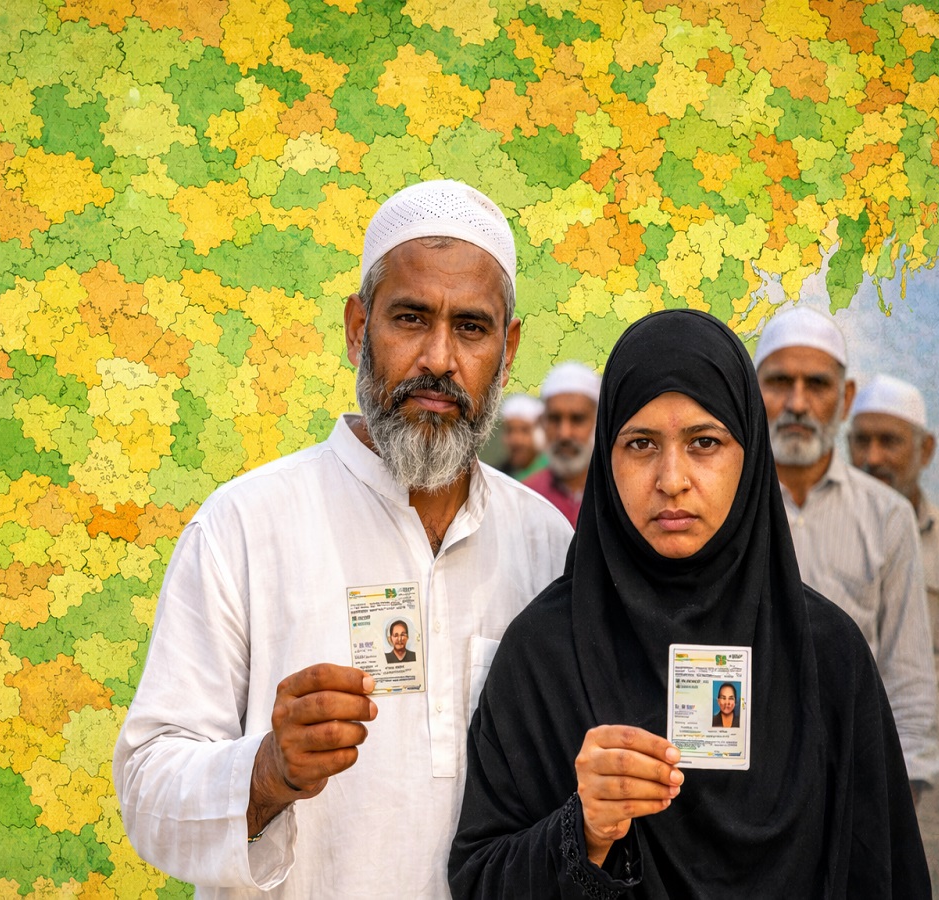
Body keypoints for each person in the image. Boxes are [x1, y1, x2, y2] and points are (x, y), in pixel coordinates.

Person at [113, 179, 573, 898]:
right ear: (359, 328)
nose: (439, 359)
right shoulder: (245, 525)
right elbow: (147, 789)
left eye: (471, 328)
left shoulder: (546, 544)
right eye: (411, 319)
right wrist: (268, 771)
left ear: (507, 349)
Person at [449, 309, 929, 898]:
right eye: (640, 443)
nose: (671, 478)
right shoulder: (546, 652)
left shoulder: (826, 654)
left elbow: (882, 872)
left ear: (749, 454)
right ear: (607, 456)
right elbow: (479, 879)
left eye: (705, 442)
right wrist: (584, 830)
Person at [753, 306, 939, 794]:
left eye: (816, 385)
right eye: (779, 382)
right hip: (742, 783)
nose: (797, 403)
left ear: (846, 397)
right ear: (752, 390)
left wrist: (902, 795)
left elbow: (908, 674)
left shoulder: (887, 516)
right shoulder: (718, 506)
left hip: (853, 780)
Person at [849, 374, 939, 898]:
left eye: (890, 441)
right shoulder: (826, 538)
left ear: (925, 449)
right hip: (851, 798)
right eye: (861, 441)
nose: (873, 457)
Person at [524, 362, 602, 525]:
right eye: (555, 419)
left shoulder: (619, 493)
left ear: (598, 422)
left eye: (577, 419)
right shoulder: (525, 497)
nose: (564, 434)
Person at [497, 393, 546, 479]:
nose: (516, 440)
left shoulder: (552, 473)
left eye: (524, 430)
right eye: (510, 431)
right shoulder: (498, 475)